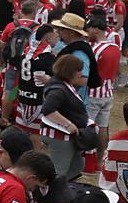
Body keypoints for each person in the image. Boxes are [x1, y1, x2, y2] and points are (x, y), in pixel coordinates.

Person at [37, 53, 91, 183]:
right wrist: (67, 124)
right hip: (60, 136)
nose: (81, 74)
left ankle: (63, 189)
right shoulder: (59, 89)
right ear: (71, 71)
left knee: (76, 167)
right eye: (79, 71)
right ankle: (51, 195)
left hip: (66, 136)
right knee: (58, 171)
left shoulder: (62, 85)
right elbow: (48, 109)